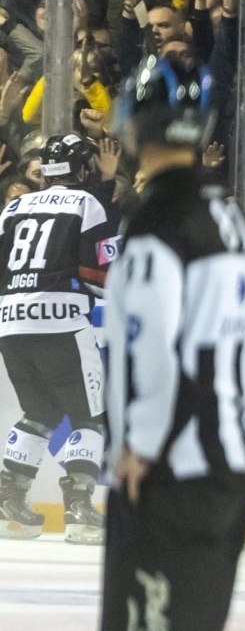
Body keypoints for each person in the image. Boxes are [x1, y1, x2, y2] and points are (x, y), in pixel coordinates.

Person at [100, 55, 245, 631]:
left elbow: (154, 345)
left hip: (163, 474)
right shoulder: (229, 218)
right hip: (227, 469)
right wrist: (231, 420)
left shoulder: (154, 221)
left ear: (136, 123)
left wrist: (146, 444)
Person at [0, 144, 119, 541]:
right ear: (83, 169)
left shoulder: (14, 208)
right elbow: (97, 275)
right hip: (62, 322)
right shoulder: (87, 203)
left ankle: (8, 500)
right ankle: (80, 509)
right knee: (90, 416)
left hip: (11, 324)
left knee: (39, 411)